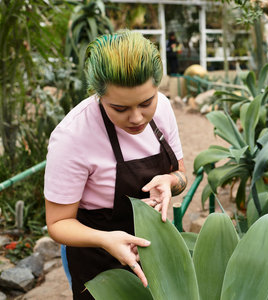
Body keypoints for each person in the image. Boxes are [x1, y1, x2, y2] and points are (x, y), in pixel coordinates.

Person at [44, 30, 187, 300]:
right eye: (119, 108)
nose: (136, 118)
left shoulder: (165, 109)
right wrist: (106, 240)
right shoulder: (73, 137)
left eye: (146, 103)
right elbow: (58, 222)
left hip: (158, 251)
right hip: (99, 262)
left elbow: (180, 174)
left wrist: (170, 183)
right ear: (98, 95)